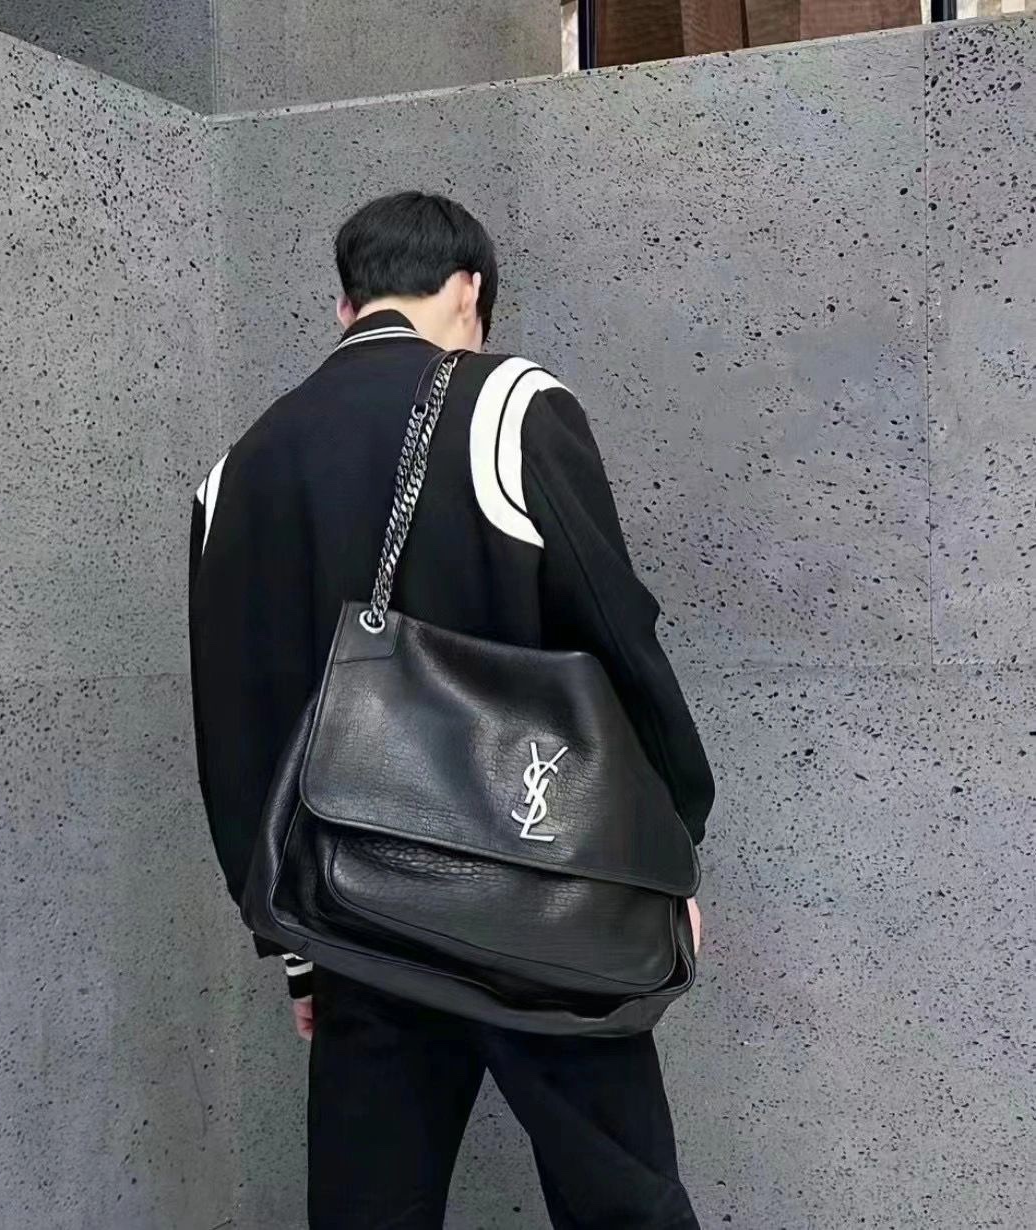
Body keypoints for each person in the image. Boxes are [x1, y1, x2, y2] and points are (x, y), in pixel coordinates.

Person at [188, 191, 714, 1229]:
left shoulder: (235, 471)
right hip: (546, 906)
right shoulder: (508, 403)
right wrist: (668, 855)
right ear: (468, 289)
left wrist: (298, 952)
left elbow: (236, 734)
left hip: (357, 917)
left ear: (346, 305)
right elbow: (616, 633)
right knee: (624, 1203)